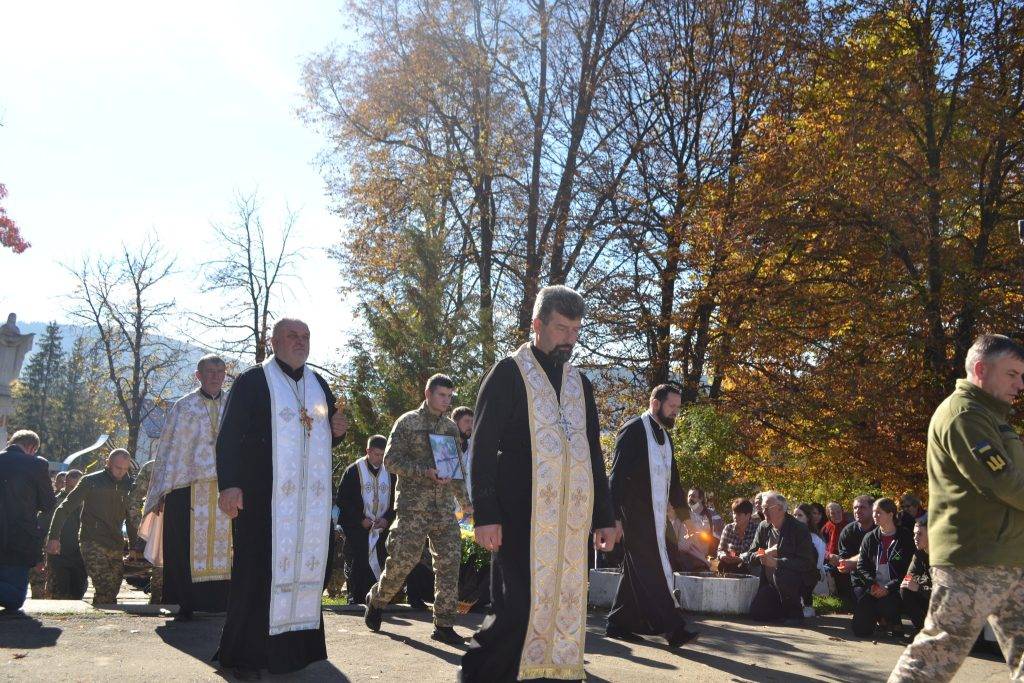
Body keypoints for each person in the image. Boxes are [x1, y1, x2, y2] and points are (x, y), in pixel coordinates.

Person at [461, 285, 617, 682]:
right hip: (519, 516)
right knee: (516, 608)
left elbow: (592, 454)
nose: (570, 339)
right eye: (562, 328)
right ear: (537, 324)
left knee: (561, 604)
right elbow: (482, 448)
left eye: (576, 330)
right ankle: (480, 674)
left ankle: (547, 674)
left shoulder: (580, 384)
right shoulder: (508, 374)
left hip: (568, 523)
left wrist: (605, 516)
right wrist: (485, 514)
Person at [214, 318, 348, 679]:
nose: (301, 342)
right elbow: (228, 437)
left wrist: (337, 431)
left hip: (308, 507)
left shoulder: (319, 385)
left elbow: (323, 434)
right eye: (292, 336)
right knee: (256, 575)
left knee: (304, 574)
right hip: (261, 500)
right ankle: (243, 656)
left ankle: (293, 654)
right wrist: (229, 484)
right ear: (273, 341)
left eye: (306, 336)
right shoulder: (253, 381)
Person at [890, 334, 1024, 682]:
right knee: (935, 658)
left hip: (1009, 556)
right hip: (973, 560)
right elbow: (1002, 481)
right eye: (1012, 374)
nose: (1020, 385)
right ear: (981, 369)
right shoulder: (965, 414)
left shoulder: (992, 417)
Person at [363, 374, 471, 645]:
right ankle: (377, 599)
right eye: (441, 395)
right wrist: (424, 471)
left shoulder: (449, 428)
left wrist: (466, 504)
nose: (446, 401)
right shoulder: (408, 422)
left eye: (449, 396)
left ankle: (444, 624)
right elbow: (390, 461)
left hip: (444, 508)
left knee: (449, 562)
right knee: (403, 561)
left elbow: (456, 470)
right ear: (428, 393)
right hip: (414, 507)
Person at [605, 384, 698, 647]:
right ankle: (673, 629)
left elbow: (675, 483)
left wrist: (686, 519)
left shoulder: (666, 438)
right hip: (633, 516)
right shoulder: (633, 429)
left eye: (678, 408)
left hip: (657, 519)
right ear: (655, 404)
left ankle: (617, 622)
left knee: (637, 571)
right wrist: (614, 519)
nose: (675, 413)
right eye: (672, 407)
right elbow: (617, 477)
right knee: (652, 569)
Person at [143, 354, 231, 620]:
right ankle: (185, 603)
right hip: (188, 487)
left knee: (230, 546)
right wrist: (161, 490)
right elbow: (169, 450)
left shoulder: (234, 404)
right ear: (198, 375)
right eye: (210, 371)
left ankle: (225, 603)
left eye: (221, 371)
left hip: (227, 487)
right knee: (184, 545)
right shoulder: (184, 406)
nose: (216, 375)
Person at [46, 449, 136, 606]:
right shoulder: (90, 481)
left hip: (115, 542)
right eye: (117, 467)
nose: (121, 472)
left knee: (112, 589)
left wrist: (134, 546)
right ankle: (103, 621)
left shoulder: (130, 485)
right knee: (104, 586)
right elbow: (64, 508)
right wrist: (54, 537)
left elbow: (131, 518)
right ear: (108, 463)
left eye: (125, 469)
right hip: (92, 540)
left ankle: (104, 622)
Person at [740, 491, 818, 624]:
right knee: (757, 613)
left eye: (766, 508)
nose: (762, 511)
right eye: (762, 508)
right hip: (770, 583)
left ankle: (795, 613)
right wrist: (767, 552)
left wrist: (777, 563)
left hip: (797, 581)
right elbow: (750, 556)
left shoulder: (799, 529)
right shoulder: (763, 527)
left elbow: (806, 563)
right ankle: (782, 610)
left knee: (781, 573)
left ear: (780, 509)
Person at [0, 430, 54, 615]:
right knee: (14, 599)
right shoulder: (36, 465)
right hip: (20, 537)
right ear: (32, 448)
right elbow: (48, 503)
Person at [336, 435, 395, 606]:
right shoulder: (354, 471)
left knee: (383, 558)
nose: (380, 459)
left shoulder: (390, 471)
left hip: (382, 527)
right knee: (358, 561)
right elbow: (343, 500)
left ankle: (379, 598)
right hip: (358, 528)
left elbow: (397, 500)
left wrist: (387, 519)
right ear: (368, 451)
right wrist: (360, 519)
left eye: (383, 455)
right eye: (376, 454)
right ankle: (355, 596)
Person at [851, 498, 914, 638]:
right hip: (874, 587)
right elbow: (862, 566)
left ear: (890, 514)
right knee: (860, 630)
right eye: (873, 512)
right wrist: (872, 584)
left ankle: (894, 621)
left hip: (896, 588)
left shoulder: (904, 537)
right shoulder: (870, 537)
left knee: (887, 604)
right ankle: (880, 621)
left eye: (879, 512)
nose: (874, 515)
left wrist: (889, 587)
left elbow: (909, 569)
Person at [45, 469, 87, 600]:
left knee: (78, 592)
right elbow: (43, 527)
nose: (73, 491)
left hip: (80, 555)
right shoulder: (55, 502)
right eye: (70, 487)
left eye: (77, 488)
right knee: (59, 594)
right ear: (65, 484)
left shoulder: (89, 503)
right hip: (58, 555)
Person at [829, 495, 875, 610]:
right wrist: (839, 562)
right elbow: (845, 560)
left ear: (872, 509)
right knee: (862, 618)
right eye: (855, 508)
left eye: (862, 507)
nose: (857, 511)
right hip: (859, 579)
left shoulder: (881, 529)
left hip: (882, 577)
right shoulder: (848, 531)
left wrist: (852, 562)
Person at [128, 458, 162, 604]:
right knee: (160, 564)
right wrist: (139, 525)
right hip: (159, 522)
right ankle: (158, 600)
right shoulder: (153, 466)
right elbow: (134, 498)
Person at [793, 504, 826, 617]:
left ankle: (807, 604)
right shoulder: (789, 535)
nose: (796, 518)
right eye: (795, 515)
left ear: (807, 519)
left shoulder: (816, 539)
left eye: (800, 515)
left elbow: (818, 564)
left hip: (810, 573)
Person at [900, 516, 931, 632]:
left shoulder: (941, 559)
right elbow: (909, 576)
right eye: (914, 534)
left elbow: (944, 592)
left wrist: (919, 587)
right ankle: (921, 629)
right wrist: (911, 582)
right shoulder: (919, 554)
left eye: (920, 534)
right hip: (928, 593)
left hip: (947, 603)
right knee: (905, 588)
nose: (915, 538)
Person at [718, 498, 758, 574]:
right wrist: (723, 556)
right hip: (729, 564)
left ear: (748, 515)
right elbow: (720, 549)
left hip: (748, 565)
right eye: (734, 513)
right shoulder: (728, 528)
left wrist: (741, 558)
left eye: (738, 514)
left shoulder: (755, 529)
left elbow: (756, 552)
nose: (735, 517)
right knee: (722, 565)